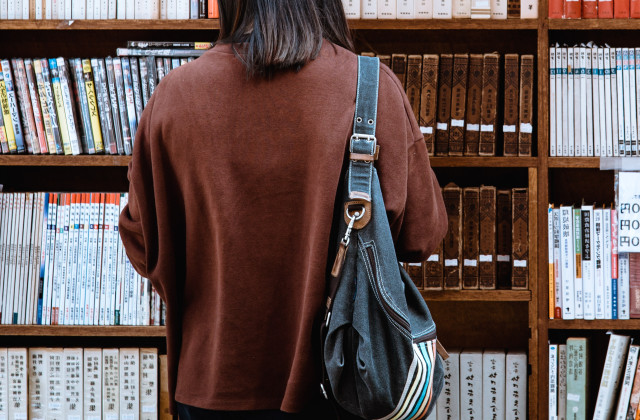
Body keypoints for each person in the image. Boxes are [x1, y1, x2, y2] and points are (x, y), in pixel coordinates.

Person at [118, 0, 448, 418]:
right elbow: (422, 236)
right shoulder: (370, 87)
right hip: (342, 379)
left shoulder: (175, 95)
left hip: (210, 385)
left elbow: (143, 243)